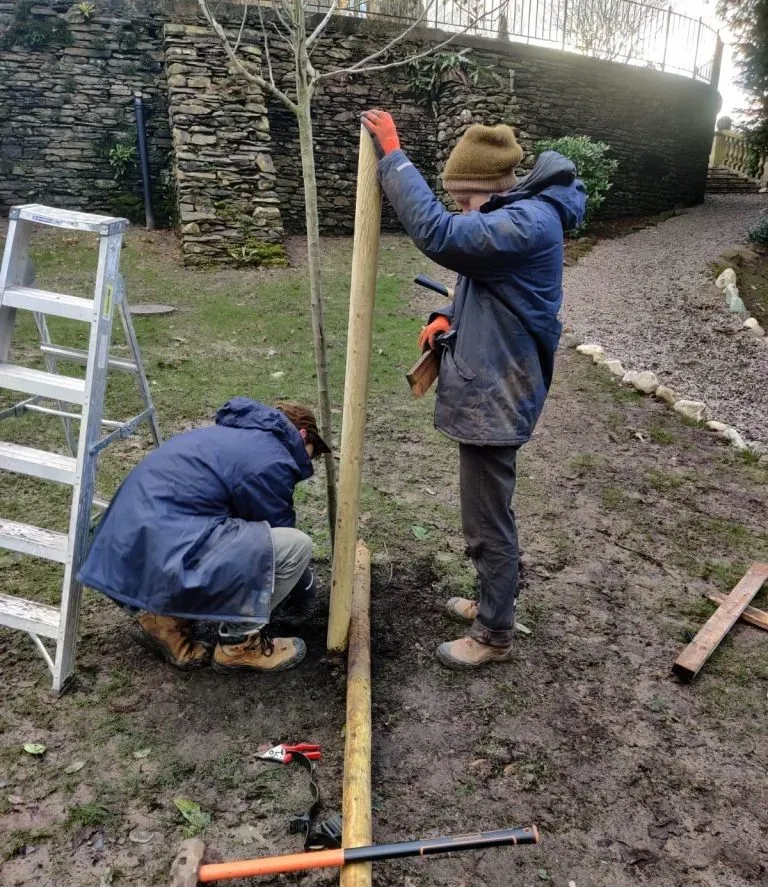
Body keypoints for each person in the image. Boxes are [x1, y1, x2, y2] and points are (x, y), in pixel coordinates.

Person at [361, 110, 586, 671]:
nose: (462, 210)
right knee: (485, 512)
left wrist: (394, 156)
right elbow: (480, 279)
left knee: (487, 519)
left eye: (465, 199)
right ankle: (493, 603)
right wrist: (445, 314)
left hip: (497, 394)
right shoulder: (513, 213)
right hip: (491, 380)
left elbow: (442, 238)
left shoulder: (527, 223)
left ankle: (493, 634)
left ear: (490, 188)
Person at [77, 398, 330, 673]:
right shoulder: (273, 458)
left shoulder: (237, 438)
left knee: (232, 535)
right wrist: (305, 590)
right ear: (302, 435)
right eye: (312, 453)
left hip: (129, 544)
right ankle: (239, 643)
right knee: (297, 546)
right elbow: (276, 537)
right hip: (166, 544)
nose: (309, 463)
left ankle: (164, 620)